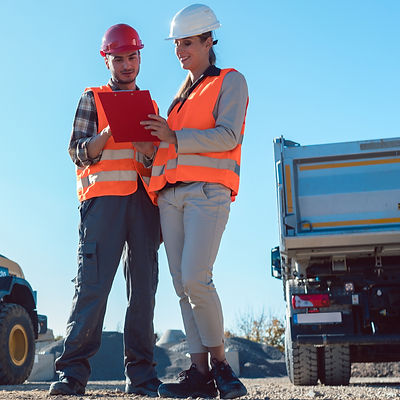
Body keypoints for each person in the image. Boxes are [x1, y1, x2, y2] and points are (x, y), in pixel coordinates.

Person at [138, 4, 249, 399]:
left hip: (206, 193)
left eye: (188, 43)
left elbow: (228, 136)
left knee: (196, 279)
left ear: (208, 41)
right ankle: (199, 373)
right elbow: (168, 150)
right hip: (170, 198)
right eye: (177, 44)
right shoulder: (177, 99)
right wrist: (148, 147)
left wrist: (174, 137)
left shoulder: (230, 82)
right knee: (182, 286)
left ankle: (221, 367)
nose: (180, 50)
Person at [49, 23, 162, 397]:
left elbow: (154, 163)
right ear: (107, 59)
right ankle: (71, 375)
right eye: (120, 59)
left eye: (132, 57)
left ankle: (142, 377)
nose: (127, 65)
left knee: (143, 292)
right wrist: (108, 133)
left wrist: (149, 153)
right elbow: (76, 152)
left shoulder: (152, 105)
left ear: (140, 57)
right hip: (103, 206)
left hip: (144, 206)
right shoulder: (92, 98)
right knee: (93, 289)